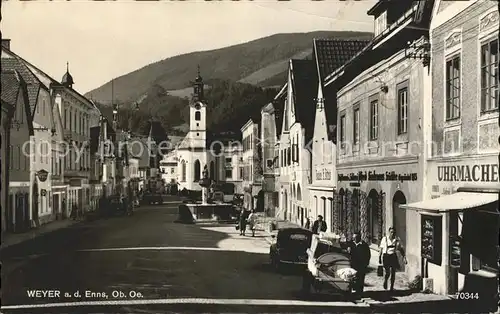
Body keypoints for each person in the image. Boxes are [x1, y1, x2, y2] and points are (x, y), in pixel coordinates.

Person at [379, 227, 407, 291]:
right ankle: (386, 280)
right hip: (386, 256)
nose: (392, 233)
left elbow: (401, 249)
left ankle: (391, 286)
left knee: (393, 272)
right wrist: (379, 257)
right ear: (389, 232)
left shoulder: (397, 240)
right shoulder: (384, 239)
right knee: (387, 272)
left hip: (393, 256)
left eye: (394, 232)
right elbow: (381, 248)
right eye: (391, 232)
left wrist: (404, 257)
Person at [348, 231, 371, 296]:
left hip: (361, 264)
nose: (355, 239)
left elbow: (368, 254)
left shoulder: (364, 245)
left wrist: (366, 263)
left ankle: (360, 292)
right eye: (354, 237)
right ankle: (354, 290)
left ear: (359, 237)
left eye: (356, 237)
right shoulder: (351, 244)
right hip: (353, 264)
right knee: (353, 277)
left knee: (361, 278)